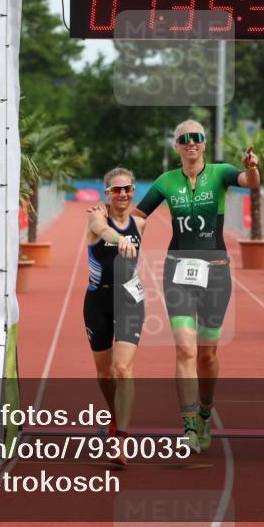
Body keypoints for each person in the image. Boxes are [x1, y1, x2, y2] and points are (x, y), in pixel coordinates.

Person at [132, 119, 259, 453]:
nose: (191, 143)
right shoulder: (166, 181)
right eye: (184, 138)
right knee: (186, 349)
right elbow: (140, 215)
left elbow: (250, 183)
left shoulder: (220, 173)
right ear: (176, 145)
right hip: (178, 272)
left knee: (207, 354)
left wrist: (252, 168)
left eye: (197, 137)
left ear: (204, 143)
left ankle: (205, 412)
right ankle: (188, 426)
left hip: (216, 274)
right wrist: (126, 233)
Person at [84, 167, 146, 467]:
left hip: (130, 299)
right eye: (117, 190)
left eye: (128, 189)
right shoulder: (96, 217)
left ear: (133, 191)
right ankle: (114, 414)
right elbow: (101, 228)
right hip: (97, 301)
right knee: (105, 374)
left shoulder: (140, 223)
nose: (123, 194)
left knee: (122, 369)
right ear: (107, 193)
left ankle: (120, 438)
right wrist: (118, 238)